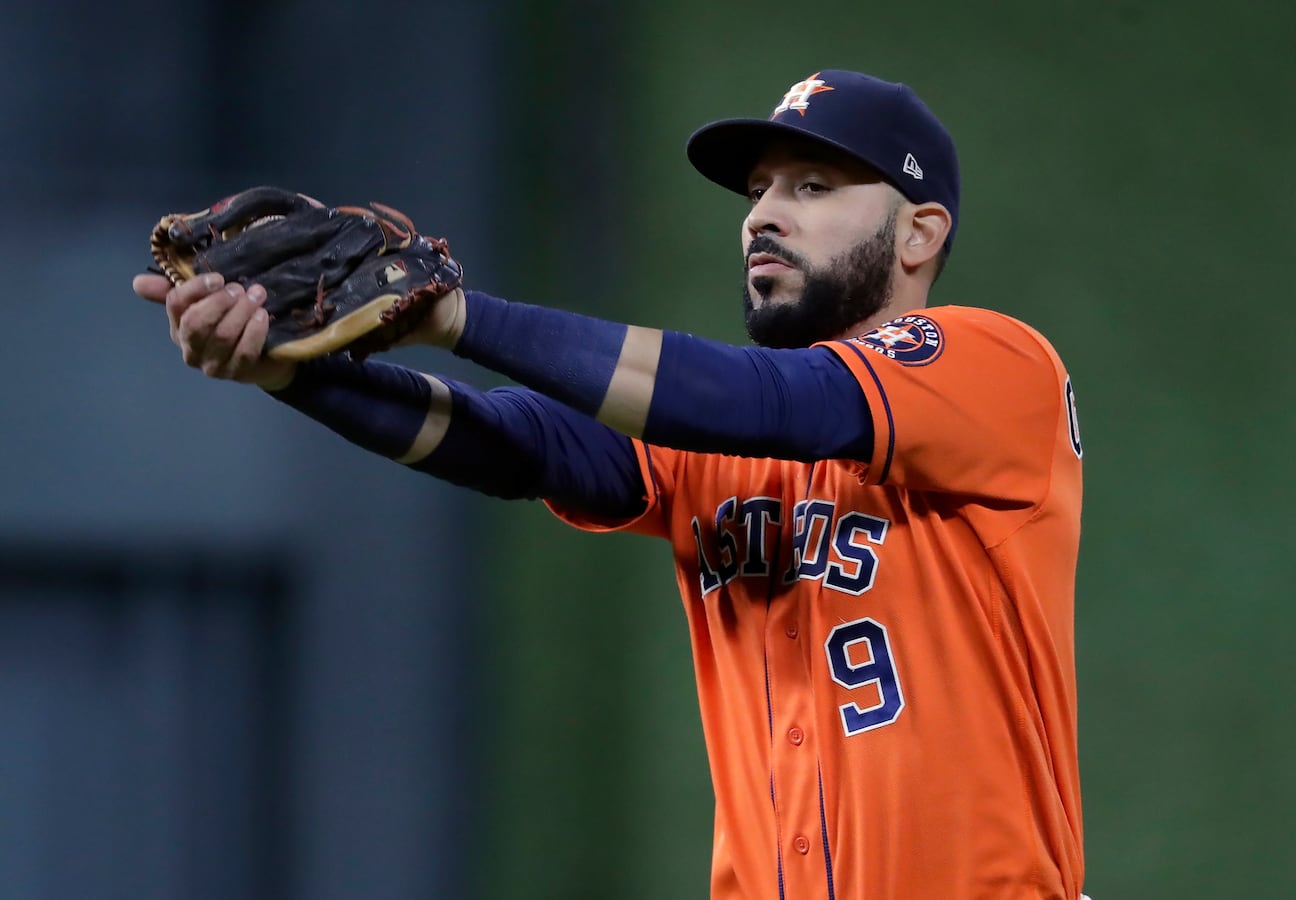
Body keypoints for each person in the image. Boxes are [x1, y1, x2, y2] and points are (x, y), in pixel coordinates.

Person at [133, 69, 1088, 900]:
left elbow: (762, 401)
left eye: (813, 185)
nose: (763, 213)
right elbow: (513, 444)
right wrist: (291, 372)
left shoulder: (994, 369)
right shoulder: (711, 442)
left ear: (919, 232)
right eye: (757, 190)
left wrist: (453, 313)